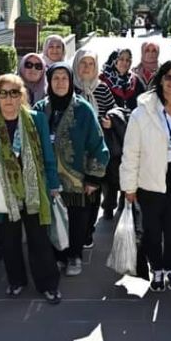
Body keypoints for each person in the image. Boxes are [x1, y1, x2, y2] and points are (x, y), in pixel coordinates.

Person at [0, 74, 63, 303]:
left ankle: (48, 285)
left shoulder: (36, 119)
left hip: (34, 190)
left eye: (14, 93)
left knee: (39, 240)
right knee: (9, 241)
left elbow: (48, 155)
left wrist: (53, 184)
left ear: (22, 97)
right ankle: (16, 281)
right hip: (3, 193)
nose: (9, 98)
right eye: (3, 93)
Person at [121, 61, 171, 292]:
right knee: (152, 229)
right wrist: (129, 187)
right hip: (150, 178)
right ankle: (156, 269)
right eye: (168, 77)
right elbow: (130, 152)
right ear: (160, 80)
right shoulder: (141, 113)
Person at [33, 63, 110, 276]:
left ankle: (74, 256)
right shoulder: (40, 109)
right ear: (49, 81)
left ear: (70, 81)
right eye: (55, 78)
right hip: (48, 178)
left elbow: (97, 143)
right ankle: (57, 256)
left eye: (64, 78)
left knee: (77, 220)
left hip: (77, 179)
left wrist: (93, 178)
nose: (60, 83)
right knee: (51, 219)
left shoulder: (82, 109)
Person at [72, 49, 117, 239]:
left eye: (91, 64)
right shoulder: (69, 86)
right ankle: (76, 231)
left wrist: (110, 120)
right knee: (75, 192)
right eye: (83, 63)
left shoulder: (102, 88)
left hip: (96, 149)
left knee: (93, 191)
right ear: (76, 64)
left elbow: (113, 110)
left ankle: (89, 230)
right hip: (74, 150)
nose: (86, 68)